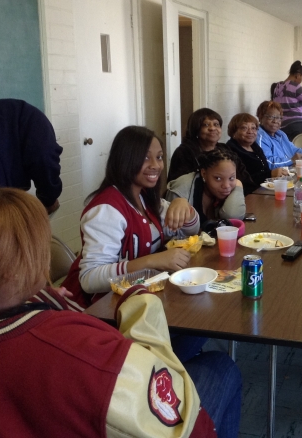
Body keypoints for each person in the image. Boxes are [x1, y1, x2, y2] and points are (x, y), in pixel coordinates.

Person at [0, 187, 241, 438]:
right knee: (220, 366)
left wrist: (31, 297)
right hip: (121, 392)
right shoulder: (81, 357)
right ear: (27, 262)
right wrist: (139, 300)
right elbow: (188, 424)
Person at [63, 126, 200, 309]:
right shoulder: (107, 209)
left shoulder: (144, 196)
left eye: (159, 157)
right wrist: (152, 261)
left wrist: (183, 205)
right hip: (99, 308)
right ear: (125, 159)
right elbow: (90, 279)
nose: (156, 165)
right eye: (145, 157)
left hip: (139, 298)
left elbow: (190, 230)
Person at [166, 148, 246, 227]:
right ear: (204, 173)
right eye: (218, 178)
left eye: (231, 178)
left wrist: (238, 185)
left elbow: (233, 216)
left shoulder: (230, 185)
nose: (226, 186)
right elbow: (171, 231)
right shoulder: (181, 190)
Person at [226, 112, 289, 194]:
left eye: (254, 128)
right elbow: (243, 180)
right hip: (247, 195)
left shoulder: (254, 146)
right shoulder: (231, 150)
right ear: (234, 132)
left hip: (263, 190)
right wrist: (270, 174)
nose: (250, 132)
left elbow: (265, 169)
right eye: (244, 128)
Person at [256, 100, 302, 169]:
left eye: (278, 118)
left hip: (290, 172)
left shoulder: (280, 134)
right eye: (271, 117)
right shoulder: (259, 136)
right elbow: (267, 162)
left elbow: (295, 151)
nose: (275, 121)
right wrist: (291, 160)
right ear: (260, 117)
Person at [167, 108, 229, 182]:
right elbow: (181, 185)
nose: (212, 128)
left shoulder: (225, 149)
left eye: (216, 124)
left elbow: (241, 177)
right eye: (206, 125)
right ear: (196, 130)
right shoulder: (184, 152)